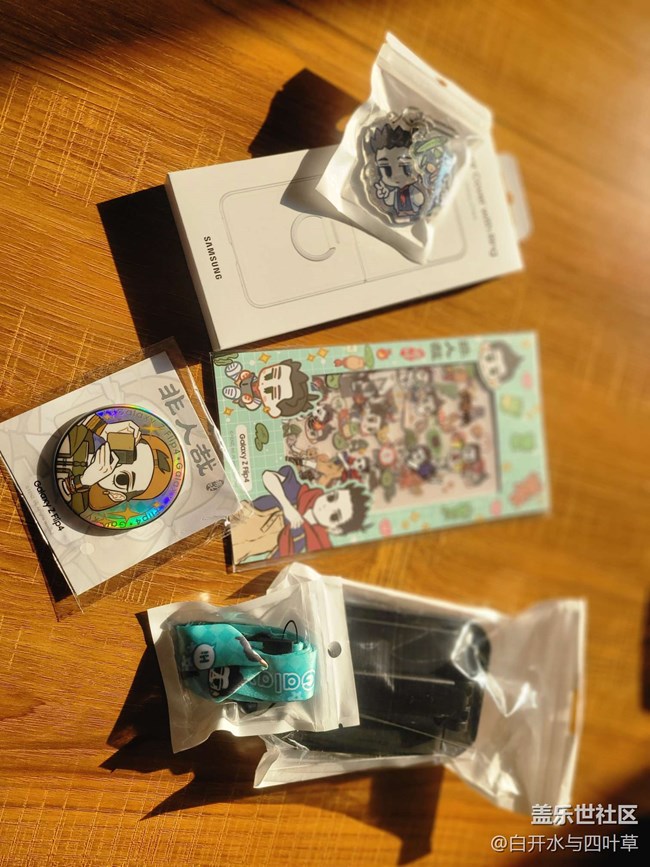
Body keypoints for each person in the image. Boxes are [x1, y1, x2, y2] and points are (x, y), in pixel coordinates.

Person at [230, 464, 371, 563]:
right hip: (238, 518)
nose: (326, 506)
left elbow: (276, 558)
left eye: (334, 516)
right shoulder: (299, 493)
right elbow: (268, 476)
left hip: (241, 551)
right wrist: (287, 506)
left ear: (335, 529)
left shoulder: (304, 539)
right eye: (331, 498)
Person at [55, 412, 173, 517]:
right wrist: (103, 428)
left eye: (122, 478)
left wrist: (84, 481)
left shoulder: (79, 504)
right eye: (125, 454)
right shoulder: (82, 432)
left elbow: (57, 496)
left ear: (116, 496)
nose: (116, 464)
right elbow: (72, 416)